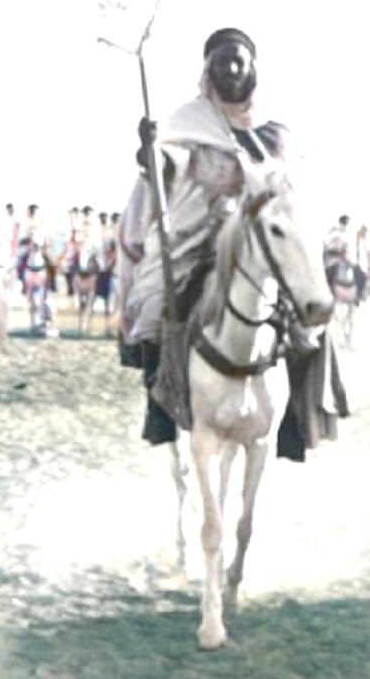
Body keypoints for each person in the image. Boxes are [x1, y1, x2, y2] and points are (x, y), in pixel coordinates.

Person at [119, 26, 347, 458]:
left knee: (311, 316)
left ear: (252, 68)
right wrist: (149, 150)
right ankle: (160, 407)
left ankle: (296, 419)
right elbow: (168, 164)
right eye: (221, 60)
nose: (230, 68)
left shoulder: (275, 132)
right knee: (153, 300)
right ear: (208, 69)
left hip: (263, 239)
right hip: (202, 236)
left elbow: (290, 190)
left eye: (237, 59)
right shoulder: (188, 122)